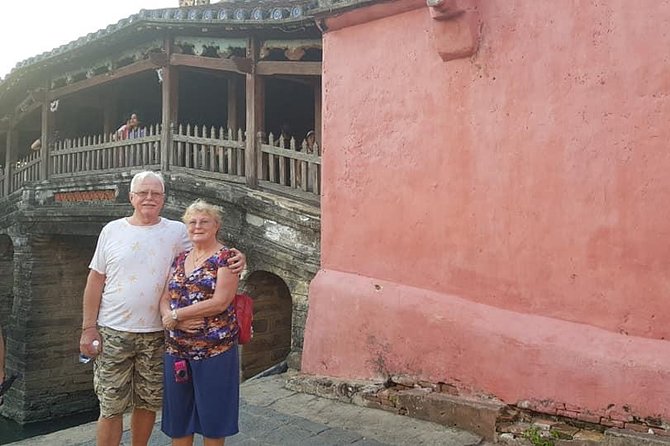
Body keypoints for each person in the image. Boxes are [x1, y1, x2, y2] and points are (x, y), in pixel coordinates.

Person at [79, 171, 246, 446]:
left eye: (155, 194)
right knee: (111, 405)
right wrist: (88, 327)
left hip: (159, 335)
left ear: (164, 199)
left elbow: (210, 251)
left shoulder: (177, 231)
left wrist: (240, 257)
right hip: (114, 330)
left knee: (148, 402)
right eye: (143, 193)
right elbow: (95, 279)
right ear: (131, 197)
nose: (149, 198)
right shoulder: (112, 230)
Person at [160, 199, 240, 446]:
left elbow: (220, 302)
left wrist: (177, 316)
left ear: (216, 225)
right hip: (177, 350)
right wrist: (170, 318)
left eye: (204, 221)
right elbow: (164, 297)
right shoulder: (179, 258)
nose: (197, 226)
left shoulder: (226, 258)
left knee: (213, 420)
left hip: (214, 350)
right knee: (179, 419)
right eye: (192, 222)